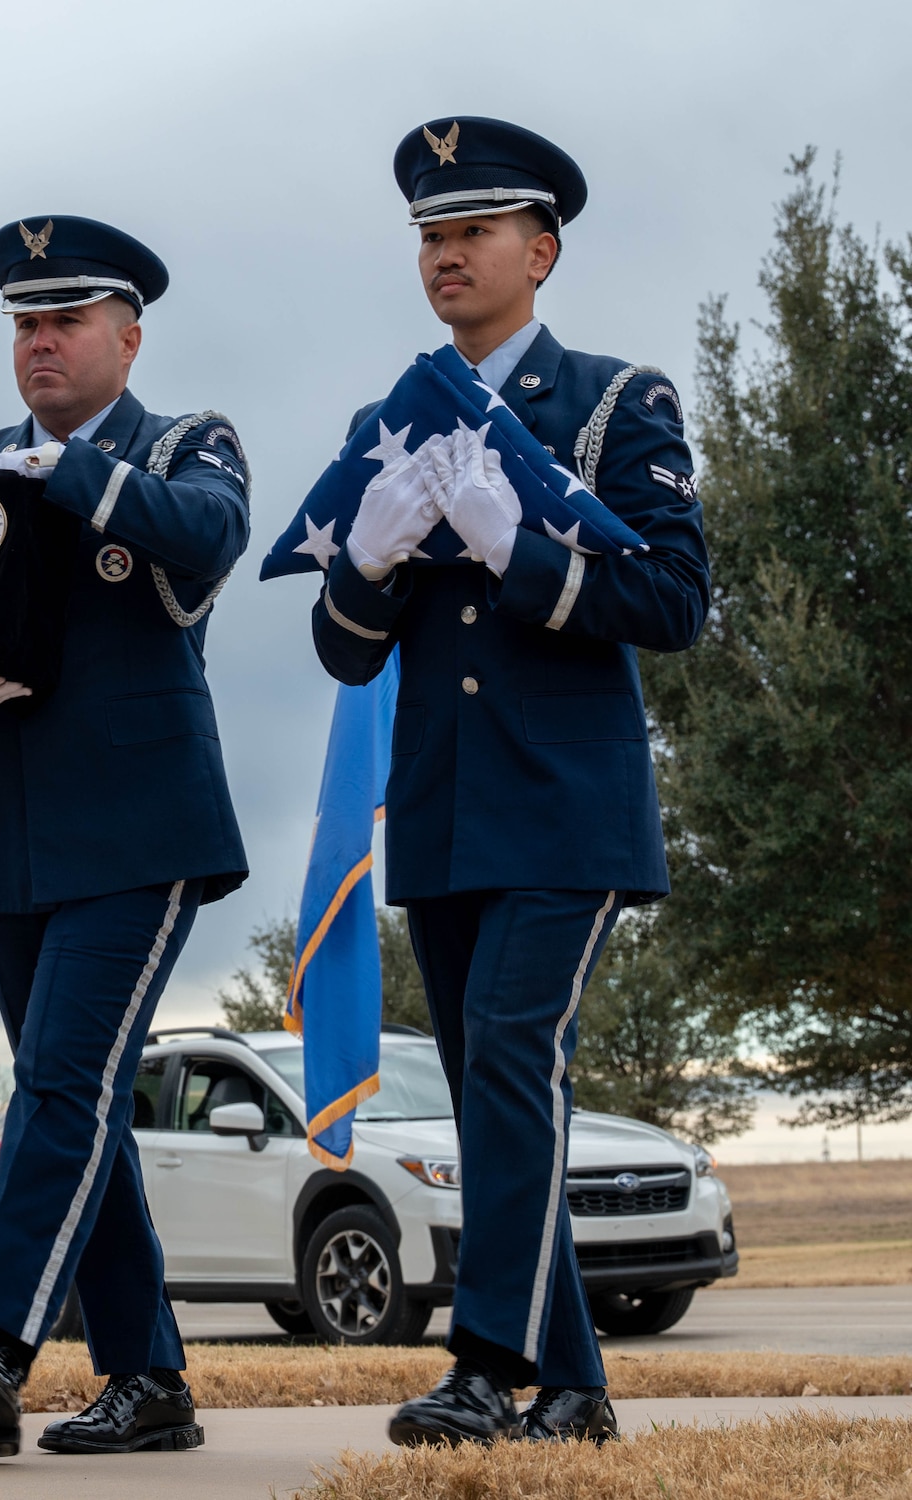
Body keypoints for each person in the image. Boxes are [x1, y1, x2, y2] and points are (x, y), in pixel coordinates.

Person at [310, 119, 710, 1446]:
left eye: (472, 231)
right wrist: (364, 567)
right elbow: (340, 648)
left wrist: (520, 552)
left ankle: (485, 1366)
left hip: (565, 808)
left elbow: (672, 597)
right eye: (430, 235)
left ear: (540, 250)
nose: (446, 255)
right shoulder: (394, 422)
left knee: (509, 1059)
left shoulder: (612, 402)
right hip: (443, 809)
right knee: (500, 1092)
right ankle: (579, 1389)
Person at [0, 215, 250, 1458]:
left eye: (64, 321)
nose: (38, 342)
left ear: (125, 335)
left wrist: (78, 477)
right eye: (23, 326)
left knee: (55, 1087)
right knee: (79, 1105)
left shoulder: (182, 444)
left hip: (142, 833)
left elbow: (204, 542)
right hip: (7, 837)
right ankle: (149, 1380)